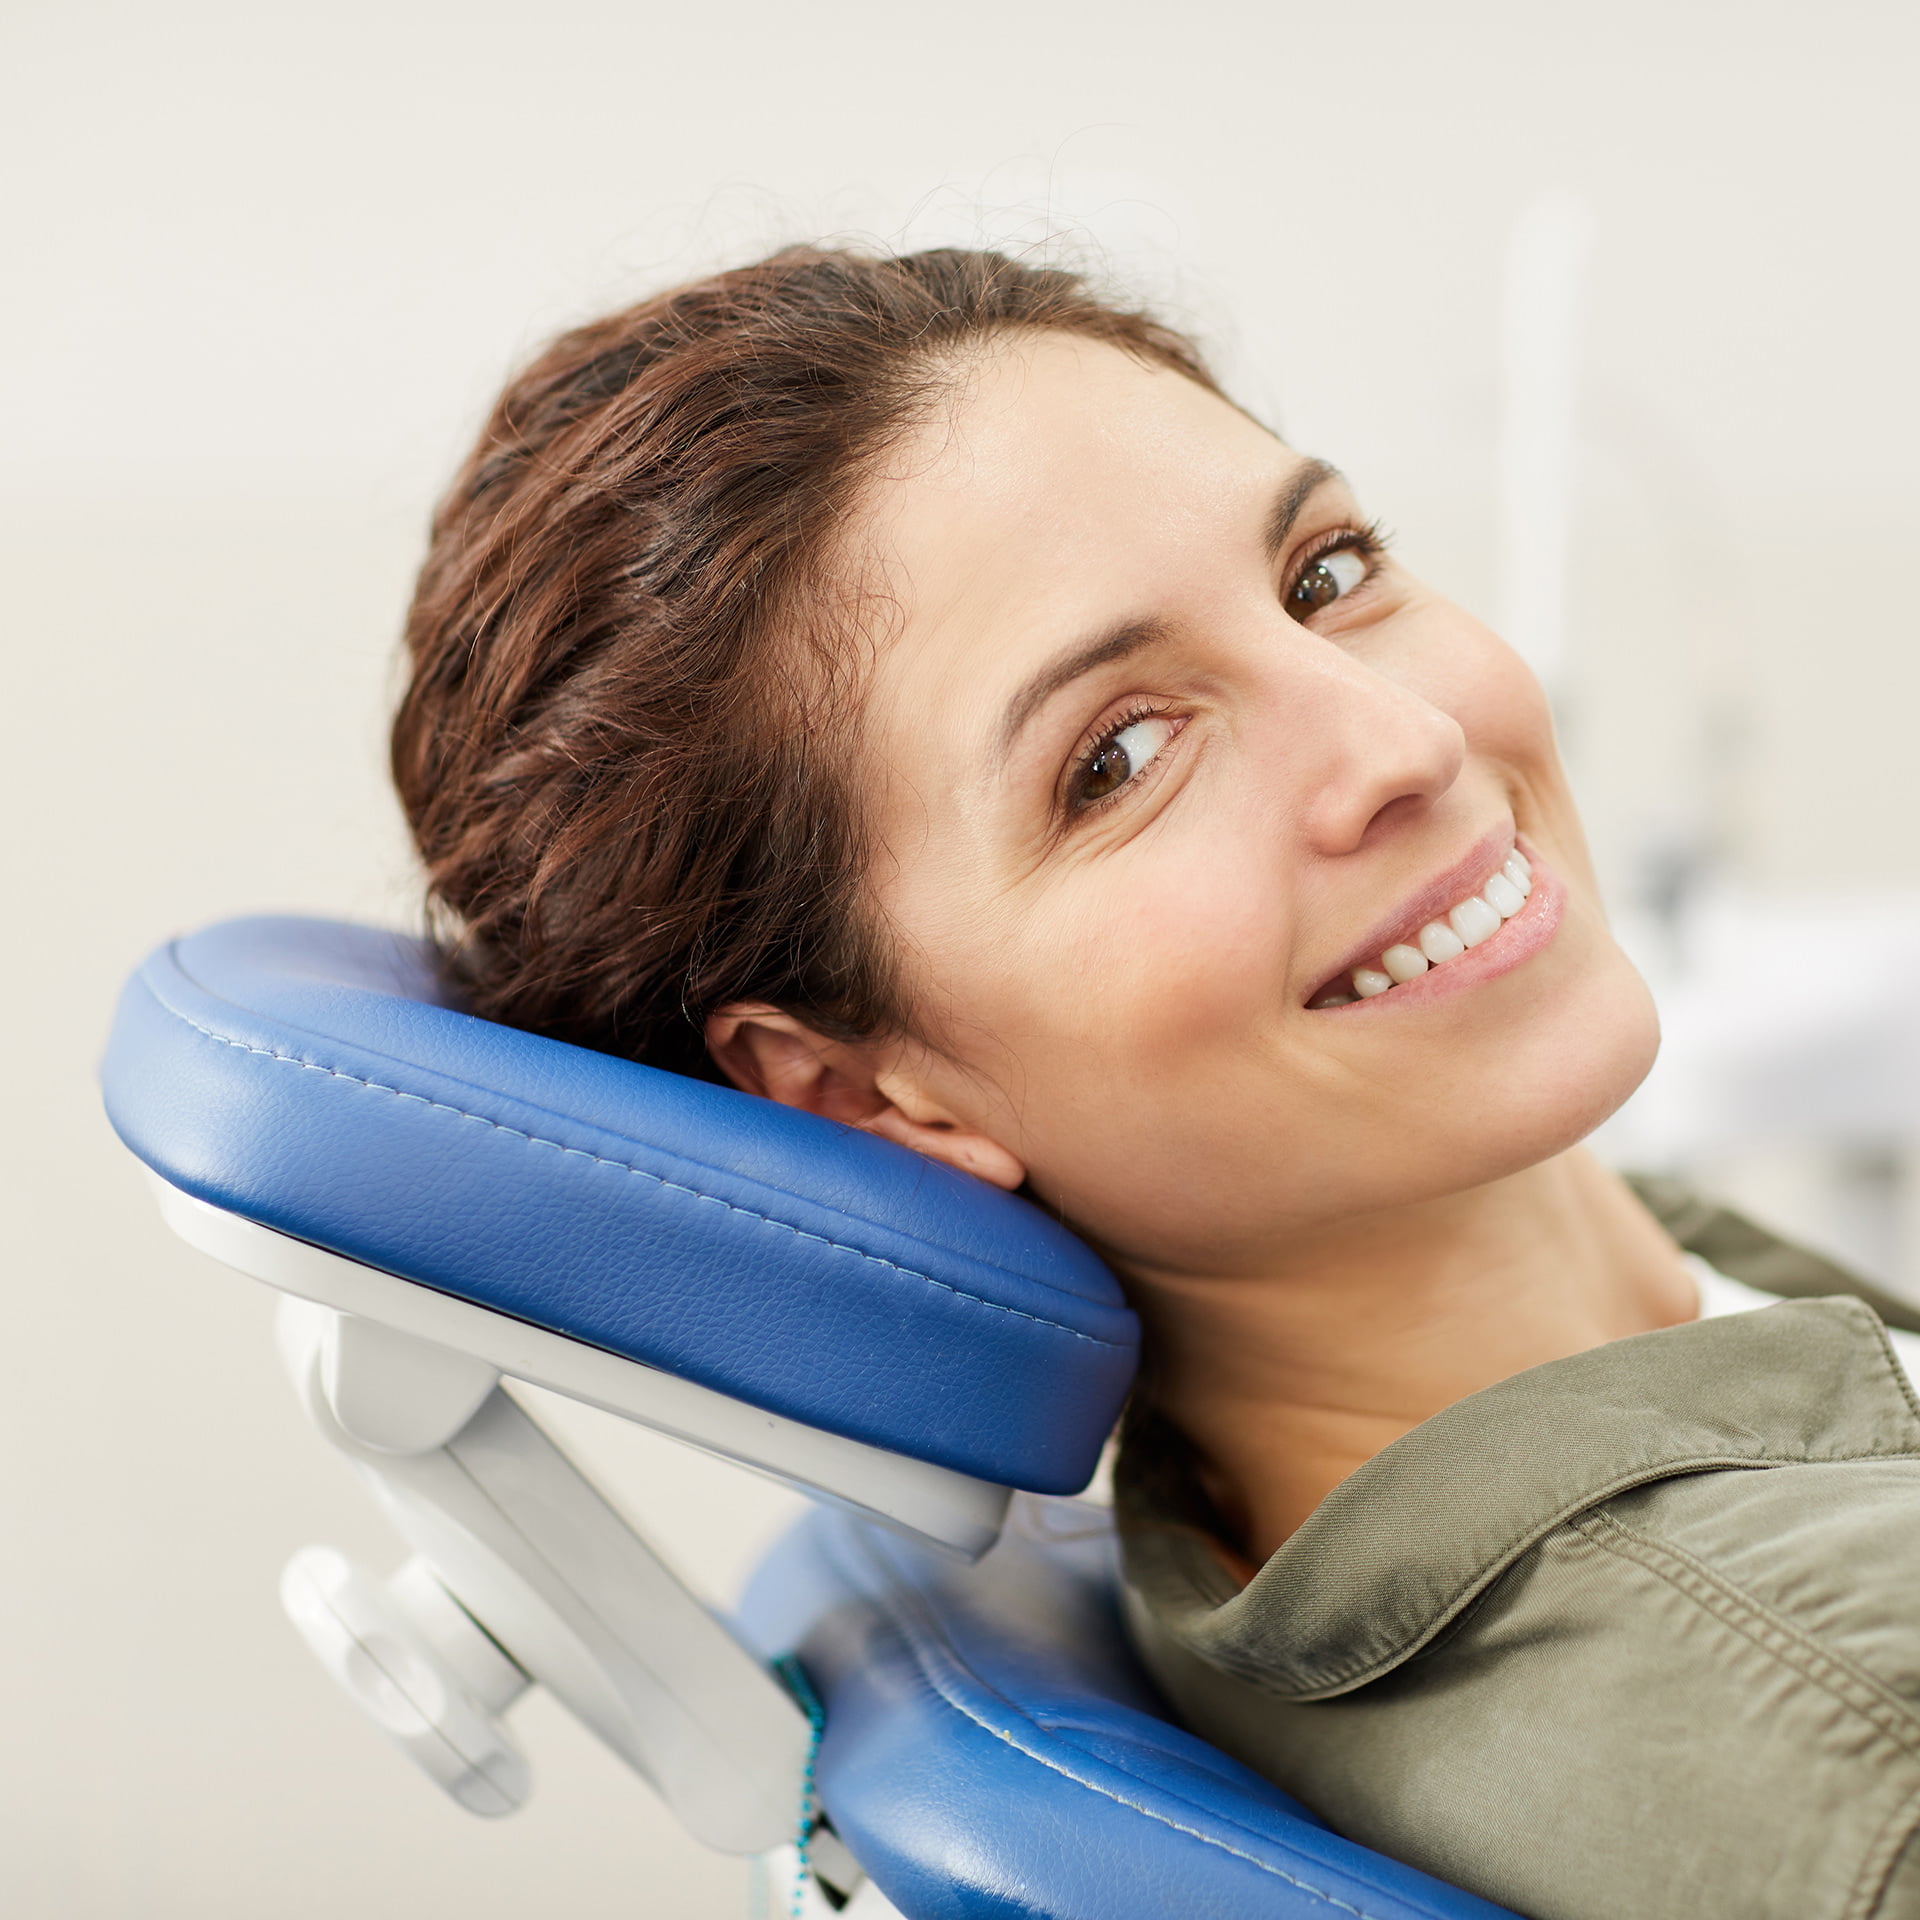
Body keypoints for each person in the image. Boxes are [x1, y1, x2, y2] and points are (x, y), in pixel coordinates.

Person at [391, 245, 1920, 1920]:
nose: (1400, 741)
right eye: (1117, 758)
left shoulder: (1329, 1518)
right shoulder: (1839, 1725)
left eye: (1328, 573)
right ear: (866, 1095)